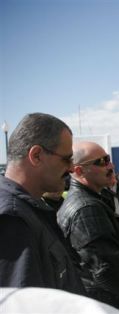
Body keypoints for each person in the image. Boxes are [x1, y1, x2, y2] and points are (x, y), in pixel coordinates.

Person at [57, 141, 119, 313]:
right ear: (79, 170)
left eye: (108, 159)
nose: (111, 165)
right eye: (102, 162)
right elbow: (109, 271)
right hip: (114, 306)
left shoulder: (95, 199)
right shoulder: (86, 209)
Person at [0, 113, 85, 295]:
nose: (71, 168)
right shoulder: (13, 219)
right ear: (36, 155)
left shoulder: (26, 209)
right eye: (66, 159)